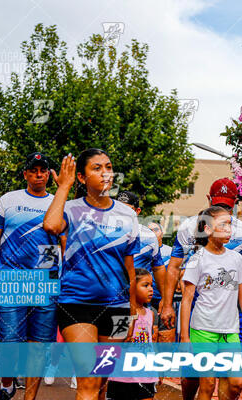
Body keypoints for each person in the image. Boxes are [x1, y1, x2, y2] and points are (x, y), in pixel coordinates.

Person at [43, 149, 139, 400]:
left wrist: (131, 309)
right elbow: (51, 226)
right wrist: (64, 186)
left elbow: (129, 267)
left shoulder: (127, 215)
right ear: (82, 179)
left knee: (102, 382)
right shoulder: (71, 209)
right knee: (88, 381)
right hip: (76, 305)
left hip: (117, 308)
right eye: (96, 168)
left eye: (108, 166)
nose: (105, 172)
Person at [160, 178, 242, 400]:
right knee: (200, 381)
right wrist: (168, 306)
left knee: (235, 382)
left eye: (228, 208)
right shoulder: (193, 242)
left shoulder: (241, 240)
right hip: (201, 322)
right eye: (219, 205)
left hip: (230, 325)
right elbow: (175, 269)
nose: (227, 225)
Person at [0, 152, 65, 400]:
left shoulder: (58, 203)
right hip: (12, 282)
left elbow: (66, 244)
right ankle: (7, 385)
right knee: (9, 344)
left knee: (38, 346)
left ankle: (29, 397)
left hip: (45, 283)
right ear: (25, 174)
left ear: (49, 175)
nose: (39, 174)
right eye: (34, 170)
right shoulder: (8, 200)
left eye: (43, 170)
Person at [180, 206, 242, 400]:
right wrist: (185, 338)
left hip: (230, 332)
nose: (229, 230)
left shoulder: (237, 258)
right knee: (207, 386)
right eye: (223, 225)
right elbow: (187, 300)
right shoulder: (197, 259)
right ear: (207, 229)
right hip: (202, 329)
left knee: (236, 383)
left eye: (230, 225)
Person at [115, 192, 166, 331]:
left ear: (137, 211)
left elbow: (158, 267)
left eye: (127, 209)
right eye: (118, 209)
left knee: (140, 342)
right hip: (113, 300)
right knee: (113, 344)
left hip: (140, 305)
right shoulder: (105, 234)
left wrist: (164, 298)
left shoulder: (149, 236)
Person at [107, 268, 158, 400]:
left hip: (146, 374)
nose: (151, 289)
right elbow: (116, 344)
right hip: (122, 375)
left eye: (151, 285)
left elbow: (151, 343)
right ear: (131, 288)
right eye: (145, 285)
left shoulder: (150, 313)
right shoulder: (122, 313)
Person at [148, 221, 177, 342]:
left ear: (162, 233)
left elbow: (177, 276)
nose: (153, 233)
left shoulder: (171, 252)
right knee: (151, 337)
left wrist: (166, 300)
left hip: (167, 301)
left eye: (155, 229)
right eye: (149, 230)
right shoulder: (142, 251)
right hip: (147, 301)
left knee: (167, 338)